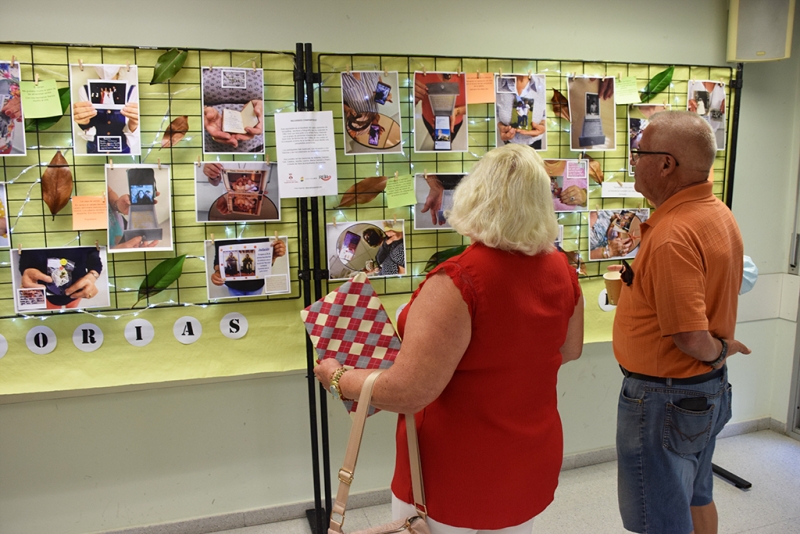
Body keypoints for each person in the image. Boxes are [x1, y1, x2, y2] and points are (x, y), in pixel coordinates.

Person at [315, 144, 584, 533]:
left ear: (474, 196)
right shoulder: (561, 267)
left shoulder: (459, 279)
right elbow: (570, 349)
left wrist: (338, 377)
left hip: (454, 469)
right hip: (528, 454)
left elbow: (410, 391)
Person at [612, 111, 750, 534]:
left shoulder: (674, 233)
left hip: (665, 400)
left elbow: (691, 336)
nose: (633, 161)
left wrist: (718, 351)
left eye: (639, 153)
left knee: (660, 521)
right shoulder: (716, 212)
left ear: (666, 164)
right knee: (695, 495)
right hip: (697, 394)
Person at [72, 65, 140, 155]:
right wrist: (83, 123)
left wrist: (134, 122)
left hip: (122, 151)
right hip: (94, 150)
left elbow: (132, 136)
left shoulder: (132, 91)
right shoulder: (85, 90)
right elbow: (88, 132)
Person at [202, 67, 264, 153]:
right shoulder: (203, 63)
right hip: (206, 148)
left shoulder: (264, 63)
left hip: (256, 148)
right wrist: (203, 111)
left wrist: (262, 107)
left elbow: (278, 101)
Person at [18, 247, 103, 309]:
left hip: (77, 288)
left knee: (71, 311)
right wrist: (26, 269)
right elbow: (24, 251)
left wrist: (93, 274)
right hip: (45, 291)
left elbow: (93, 252)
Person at [210, 237, 286, 297]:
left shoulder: (261, 228)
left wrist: (274, 254)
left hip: (256, 284)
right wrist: (217, 272)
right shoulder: (223, 230)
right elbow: (218, 255)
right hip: (233, 285)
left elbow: (265, 255)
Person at [414, 72, 467, 151]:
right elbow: (407, 104)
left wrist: (457, 111)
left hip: (455, 122)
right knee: (438, 142)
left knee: (446, 145)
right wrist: (410, 97)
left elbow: (477, 107)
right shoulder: (418, 73)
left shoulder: (469, 74)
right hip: (428, 119)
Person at [496, 75, 546, 149]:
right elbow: (495, 112)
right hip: (507, 144)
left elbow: (547, 114)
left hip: (534, 144)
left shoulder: (543, 86)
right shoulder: (497, 85)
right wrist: (500, 125)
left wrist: (542, 125)